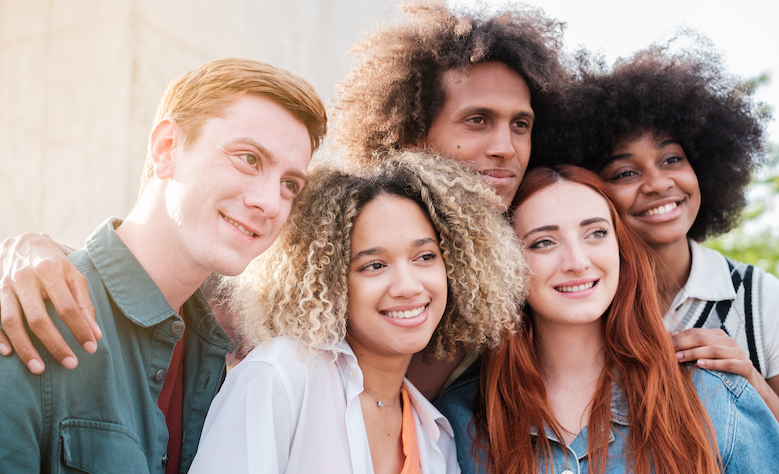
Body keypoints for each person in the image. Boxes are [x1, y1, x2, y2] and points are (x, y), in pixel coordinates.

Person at [0, 2, 566, 398]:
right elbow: (172, 282)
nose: (505, 147)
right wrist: (33, 253)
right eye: (477, 120)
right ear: (409, 132)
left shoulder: (543, 263)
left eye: (521, 125)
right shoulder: (308, 253)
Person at [0, 57, 327, 474]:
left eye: (290, 184)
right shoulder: (34, 318)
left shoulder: (220, 361)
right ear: (167, 148)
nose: (269, 202)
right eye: (249, 158)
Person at [168, 151, 526, 474]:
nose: (408, 286)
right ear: (329, 280)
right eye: (374, 265)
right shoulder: (279, 380)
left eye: (425, 256)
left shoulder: (435, 438)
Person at [435, 165, 779, 474]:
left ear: (621, 249)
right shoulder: (458, 420)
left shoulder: (710, 396)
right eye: (543, 242)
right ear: (504, 263)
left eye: (596, 233)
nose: (577, 262)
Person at [550, 43, 779, 452]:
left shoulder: (761, 302)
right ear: (589, 189)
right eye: (626, 171)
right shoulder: (573, 300)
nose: (658, 183)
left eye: (671, 159)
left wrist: (750, 381)